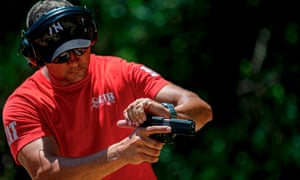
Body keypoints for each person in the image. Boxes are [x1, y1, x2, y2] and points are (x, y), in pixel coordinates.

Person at [2, 0, 213, 179]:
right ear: (35, 58)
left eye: (80, 49)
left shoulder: (121, 72)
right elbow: (44, 173)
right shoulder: (23, 103)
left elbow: (202, 110)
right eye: (62, 57)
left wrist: (166, 113)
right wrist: (121, 153)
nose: (75, 61)